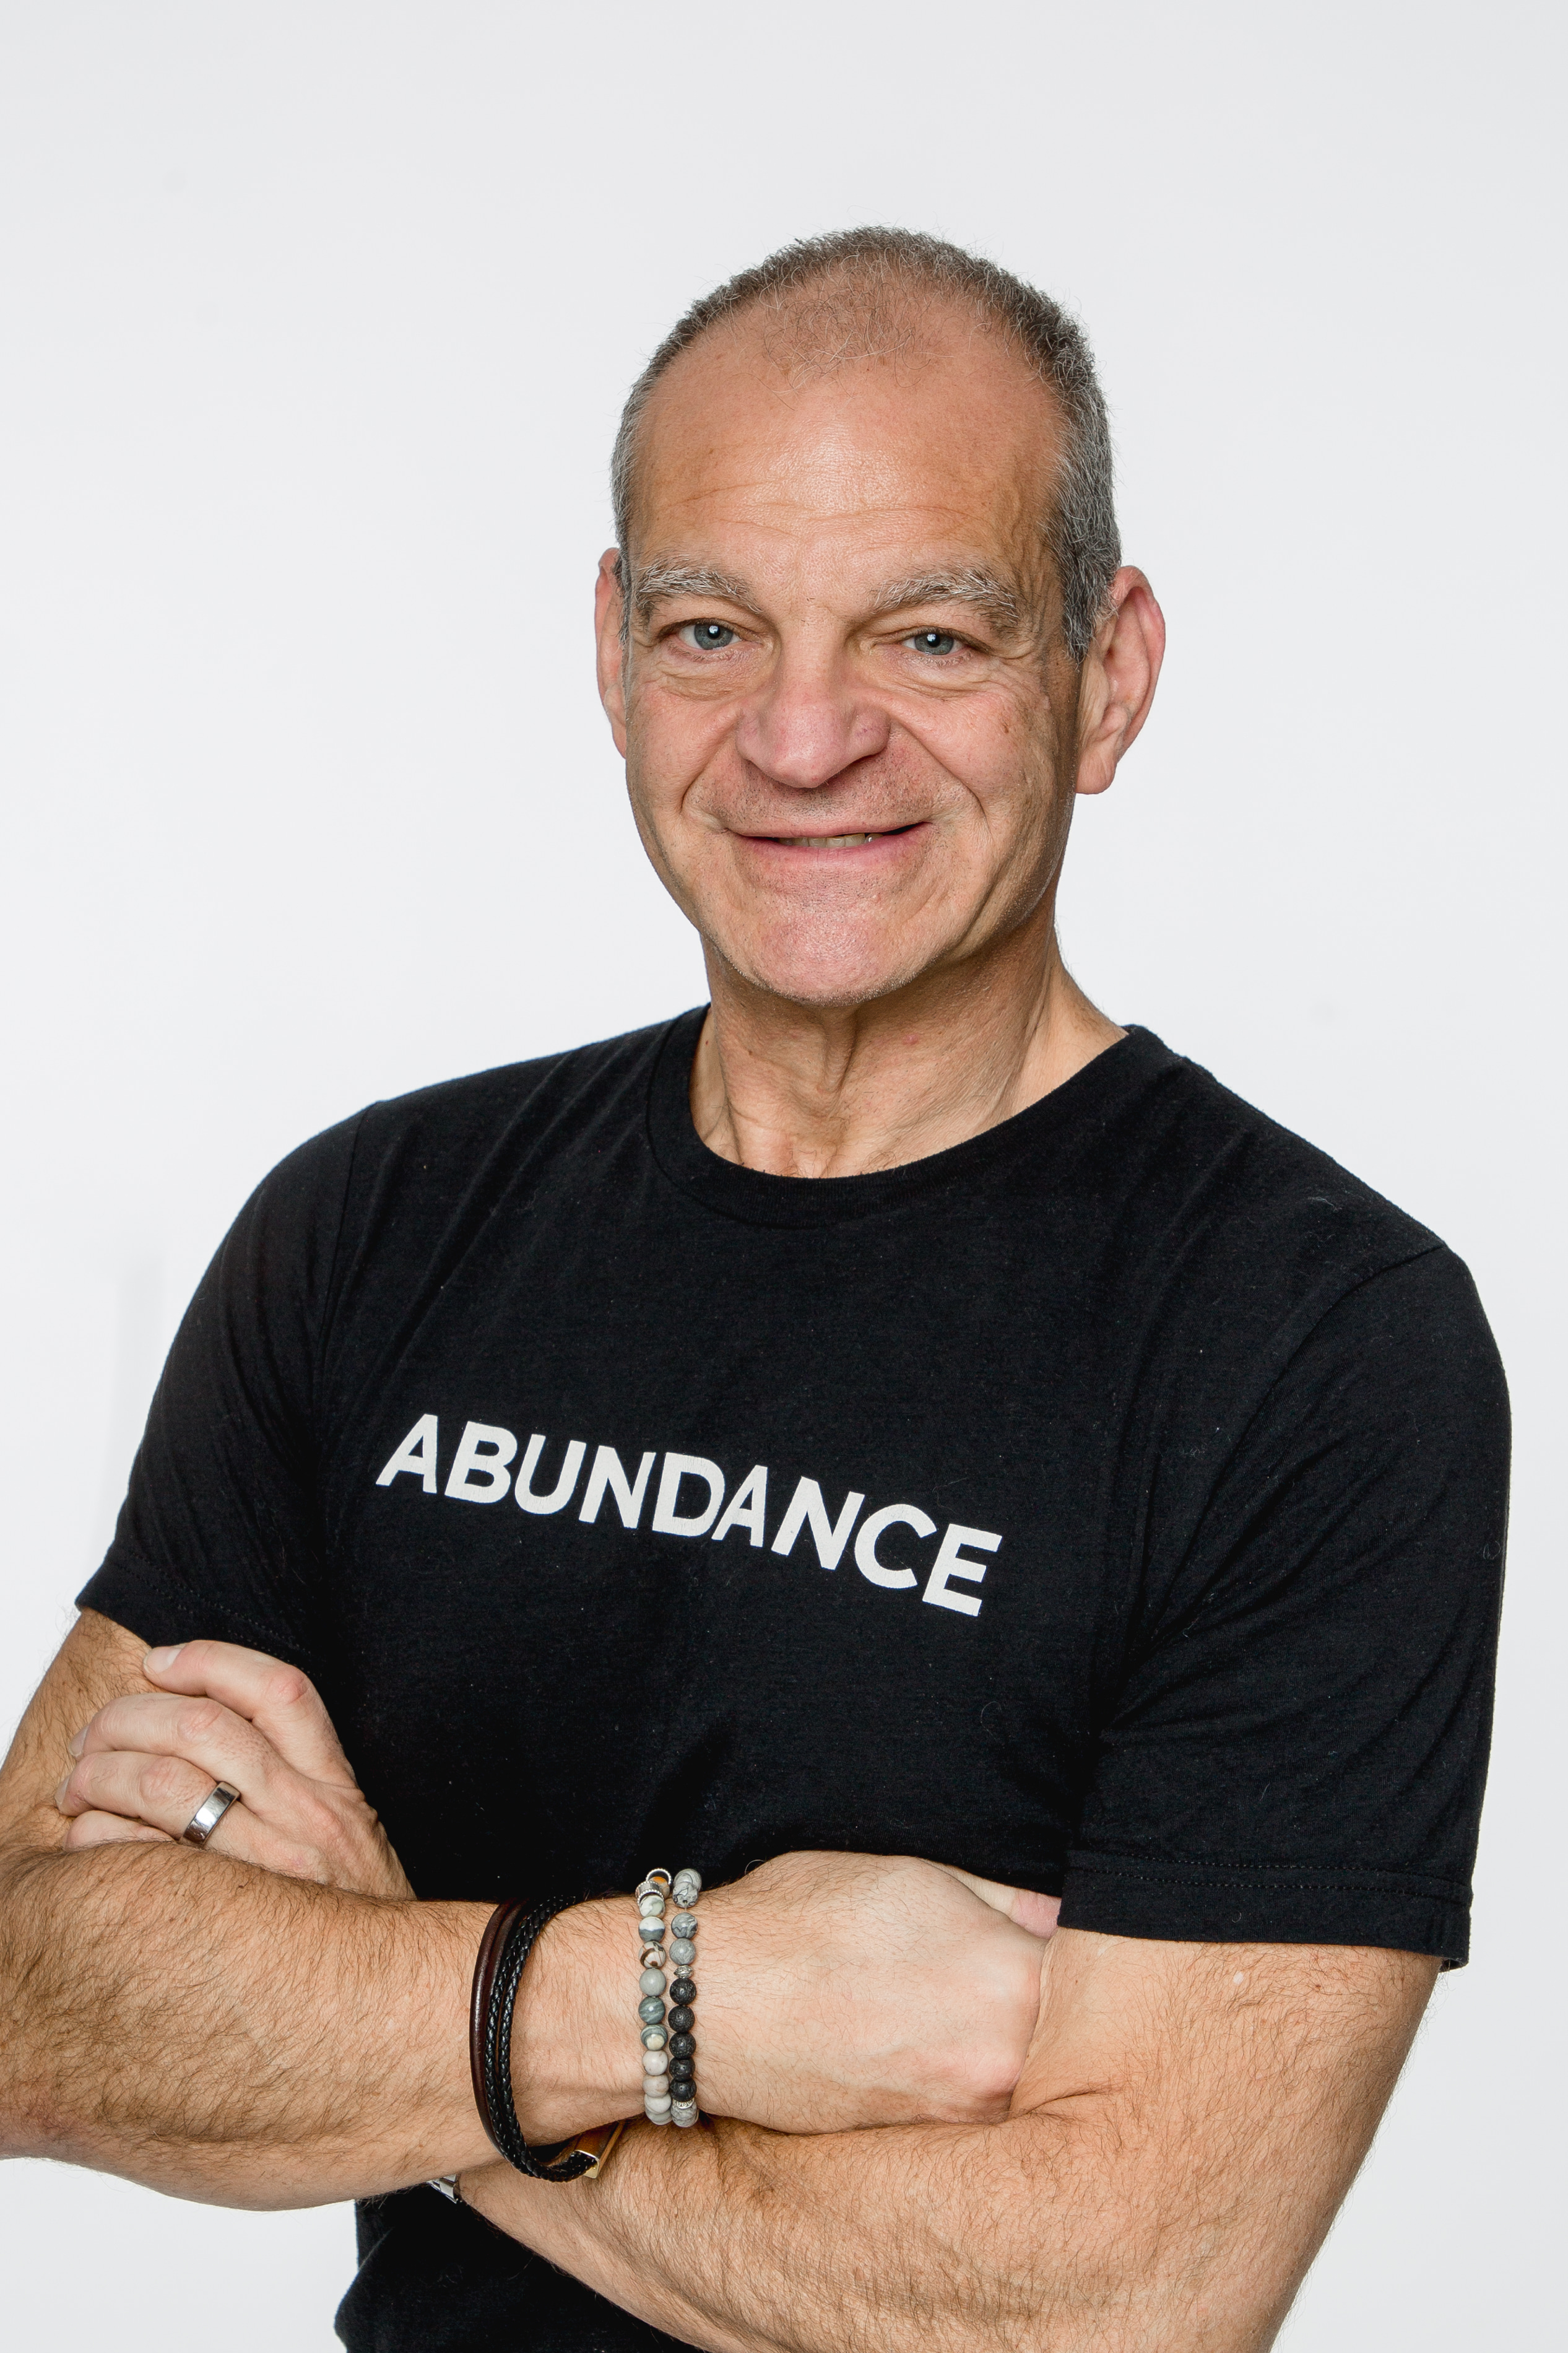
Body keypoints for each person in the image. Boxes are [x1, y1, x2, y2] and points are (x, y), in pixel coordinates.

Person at [0, 228, 1507, 2352]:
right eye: (715, 628)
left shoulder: (1316, 1347)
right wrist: (697, 1996)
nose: (806, 738)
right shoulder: (375, 1229)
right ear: (614, 651)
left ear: (1113, 671)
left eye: (930, 636)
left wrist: (384, 1995)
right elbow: (35, 2005)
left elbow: (1113, 2305)